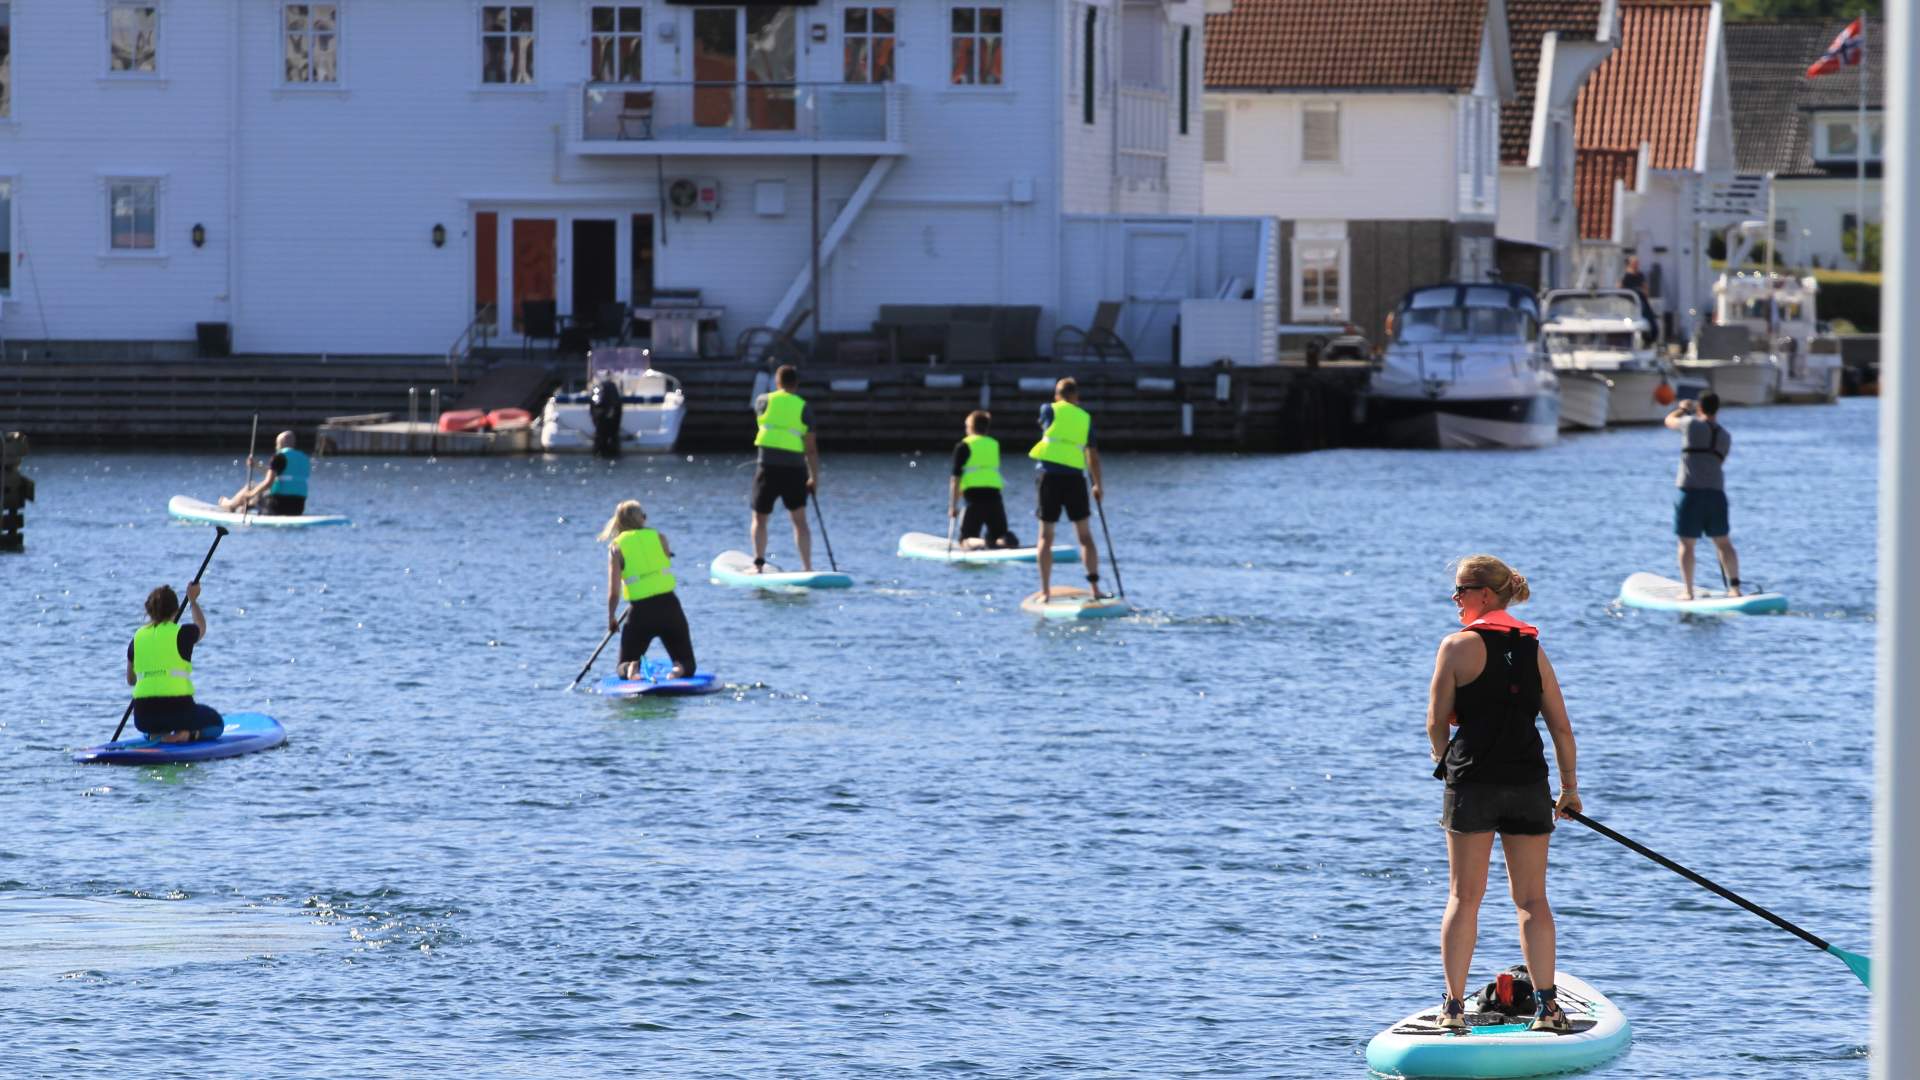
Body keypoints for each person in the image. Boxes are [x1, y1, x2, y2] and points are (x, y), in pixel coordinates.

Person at [1427, 556, 1581, 1034]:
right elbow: (1560, 727)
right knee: (1533, 900)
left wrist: (1446, 767)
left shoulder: (1455, 648)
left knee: (1463, 896)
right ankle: (1548, 1010)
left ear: (1485, 596)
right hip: (1529, 785)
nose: (1455, 599)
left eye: (1461, 591)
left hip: (1472, 784)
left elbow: (1436, 723)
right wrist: (1569, 789)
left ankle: (1453, 1009)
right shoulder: (1533, 649)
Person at [599, 500, 695, 681]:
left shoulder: (616, 547)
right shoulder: (659, 537)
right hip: (670, 607)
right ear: (641, 519)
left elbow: (614, 591)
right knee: (687, 663)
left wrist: (612, 618)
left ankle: (632, 668)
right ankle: (677, 670)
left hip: (640, 612)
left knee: (622, 666)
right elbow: (665, 557)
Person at [1028, 378, 1103, 599]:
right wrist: (1097, 484)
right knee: (1085, 536)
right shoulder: (1085, 417)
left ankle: (1045, 591)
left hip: (1049, 478)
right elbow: (1093, 455)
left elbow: (1044, 425)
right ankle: (1095, 588)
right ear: (1076, 396)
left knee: (1045, 537)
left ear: (1057, 395)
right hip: (1075, 480)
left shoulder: (1048, 409)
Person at [1664, 392, 1742, 599]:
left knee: (1686, 544)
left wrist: (1683, 408)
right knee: (1724, 543)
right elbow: (1719, 463)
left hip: (1689, 493)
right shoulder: (1725, 436)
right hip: (1716, 494)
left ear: (1700, 408)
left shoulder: (1690, 424)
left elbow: (1669, 421)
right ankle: (1734, 588)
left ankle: (1688, 592)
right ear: (1717, 409)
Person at [126, 583, 224, 743]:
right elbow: (201, 627)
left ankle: (157, 735)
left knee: (149, 729)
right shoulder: (183, 633)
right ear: (176, 611)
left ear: (149, 611)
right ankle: (186, 735)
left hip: (144, 718)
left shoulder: (136, 639)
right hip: (180, 713)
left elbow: (131, 680)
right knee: (216, 723)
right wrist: (192, 600)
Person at [749, 365, 821, 572]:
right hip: (795, 471)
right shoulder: (803, 407)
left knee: (760, 518)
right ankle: (807, 568)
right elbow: (811, 449)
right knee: (800, 521)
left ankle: (758, 565)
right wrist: (814, 478)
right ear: (796, 384)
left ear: (777, 382)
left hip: (767, 469)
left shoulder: (763, 401)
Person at [948, 410, 1020, 550]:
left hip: (974, 498)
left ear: (970, 427)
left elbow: (955, 478)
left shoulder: (963, 446)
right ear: (986, 428)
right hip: (994, 496)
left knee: (965, 539)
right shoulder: (994, 444)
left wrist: (953, 506)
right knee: (999, 533)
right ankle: (1005, 540)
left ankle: (984, 543)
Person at [219, 431, 311, 516]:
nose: (276, 447)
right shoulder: (304, 458)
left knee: (252, 486)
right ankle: (244, 507)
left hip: (278, 507)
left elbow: (268, 483)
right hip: (298, 508)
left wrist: (250, 494)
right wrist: (256, 465)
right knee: (258, 493)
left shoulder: (279, 457)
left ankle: (230, 505)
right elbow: (280, 474)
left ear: (280, 442)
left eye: (277, 444)